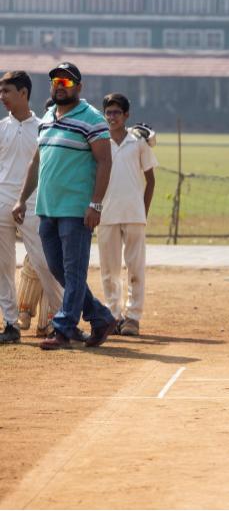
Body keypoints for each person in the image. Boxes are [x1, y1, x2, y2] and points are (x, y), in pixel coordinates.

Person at [12, 62, 117, 350]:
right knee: (58, 268)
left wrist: (95, 204)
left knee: (74, 270)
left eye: (67, 82)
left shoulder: (92, 118)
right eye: (56, 81)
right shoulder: (47, 117)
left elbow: (105, 161)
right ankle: (100, 316)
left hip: (77, 208)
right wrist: (22, 199)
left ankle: (64, 327)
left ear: (79, 88)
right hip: (47, 207)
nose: (60, 85)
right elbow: (37, 162)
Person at [0, 71, 63, 344]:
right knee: (3, 266)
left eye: (7, 91)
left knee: (44, 263)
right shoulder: (1, 127)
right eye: (1, 92)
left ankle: (63, 320)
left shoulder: (43, 127)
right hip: (1, 201)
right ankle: (11, 324)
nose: (2, 97)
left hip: (33, 203)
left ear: (23, 93)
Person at [98, 94, 158, 336]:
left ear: (126, 116)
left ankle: (133, 317)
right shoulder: (100, 141)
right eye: (109, 112)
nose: (112, 117)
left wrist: (143, 210)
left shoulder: (138, 142)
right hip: (106, 213)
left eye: (117, 113)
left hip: (134, 213)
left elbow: (150, 180)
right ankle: (113, 314)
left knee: (135, 268)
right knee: (109, 269)